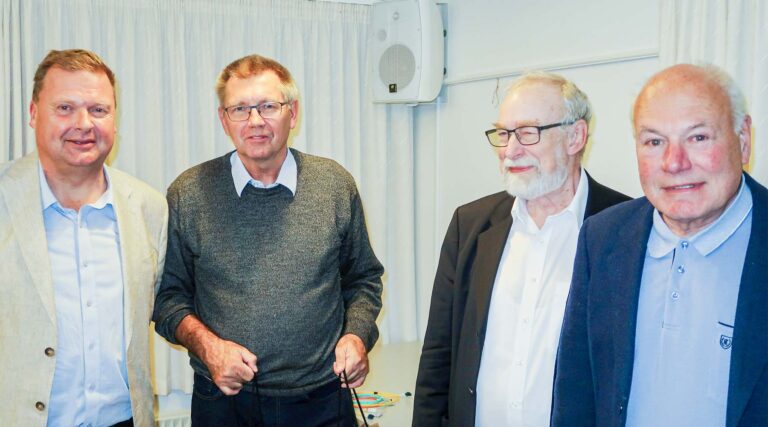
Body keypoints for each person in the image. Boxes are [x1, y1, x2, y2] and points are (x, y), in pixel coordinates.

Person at [152, 54, 384, 426]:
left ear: (292, 113)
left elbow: (363, 280)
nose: (255, 120)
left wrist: (356, 336)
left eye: (268, 106)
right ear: (224, 120)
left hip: (324, 399)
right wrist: (209, 348)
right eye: (240, 109)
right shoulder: (188, 193)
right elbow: (167, 299)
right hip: (225, 401)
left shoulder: (334, 185)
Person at [552, 64, 768, 426]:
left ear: (743, 139)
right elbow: (576, 397)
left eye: (698, 137)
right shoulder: (601, 239)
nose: (674, 163)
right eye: (654, 142)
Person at [413, 72, 630, 427]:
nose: (510, 150)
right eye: (503, 134)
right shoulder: (470, 226)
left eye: (528, 133)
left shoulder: (625, 228)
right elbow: (439, 356)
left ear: (576, 136)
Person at [0, 49, 168, 426]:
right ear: (32, 113)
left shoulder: (148, 208)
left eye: (98, 110)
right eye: (65, 108)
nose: (83, 124)